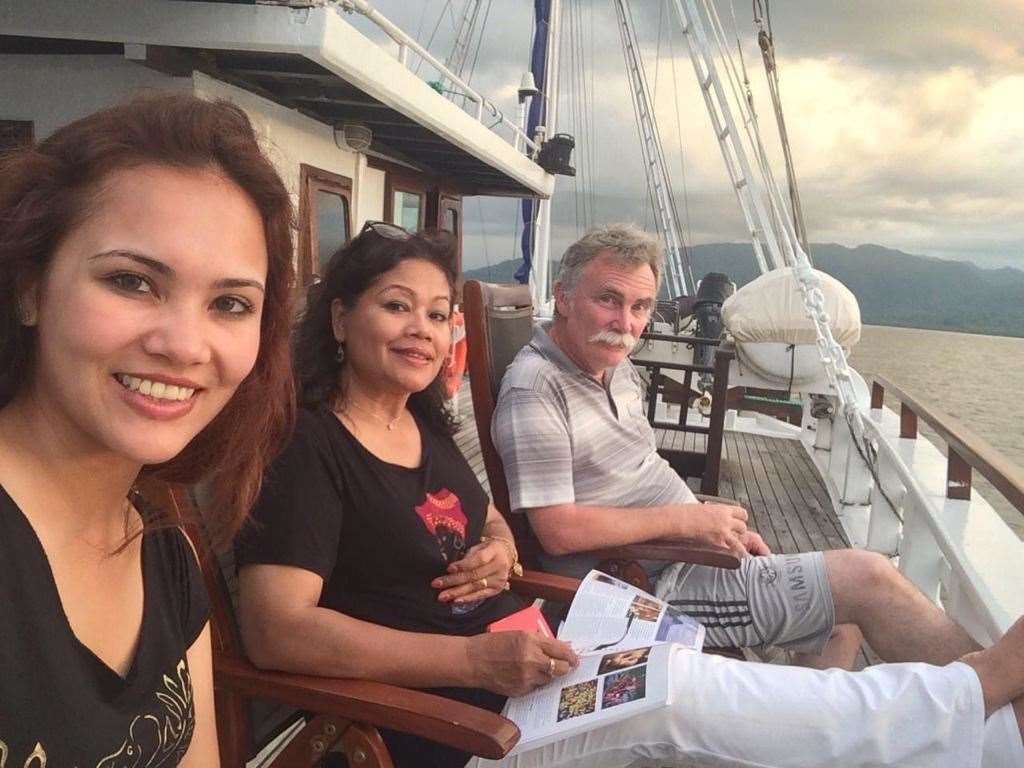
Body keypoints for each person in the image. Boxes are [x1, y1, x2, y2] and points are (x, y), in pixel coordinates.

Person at [235, 221, 1024, 768]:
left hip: (533, 661)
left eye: (438, 315)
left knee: (693, 680)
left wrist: (500, 548)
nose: (423, 330)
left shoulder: (421, 426)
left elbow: (497, 522)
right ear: (340, 319)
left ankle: (989, 739)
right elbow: (276, 632)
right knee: (683, 692)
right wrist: (474, 655)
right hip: (465, 723)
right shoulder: (309, 449)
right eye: (396, 307)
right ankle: (977, 693)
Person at [491, 223, 980, 671]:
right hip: (636, 584)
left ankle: (808, 731)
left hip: (684, 550)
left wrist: (704, 521)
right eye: (609, 300)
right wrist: (690, 521)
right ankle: (998, 696)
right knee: (866, 581)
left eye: (640, 307)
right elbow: (557, 530)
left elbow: (642, 472)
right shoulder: (538, 388)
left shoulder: (613, 369)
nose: (625, 323)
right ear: (563, 297)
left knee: (840, 611)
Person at [0, 93, 296, 767]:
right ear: (28, 285)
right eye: (133, 282)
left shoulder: (165, 554)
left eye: (230, 303)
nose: (186, 345)